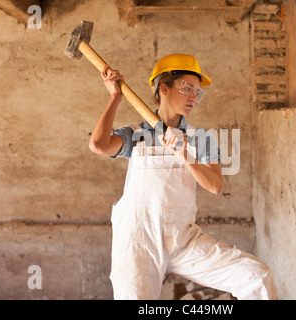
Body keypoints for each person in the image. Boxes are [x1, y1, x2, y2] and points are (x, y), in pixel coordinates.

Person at [89, 54, 278, 300]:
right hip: (138, 240)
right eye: (187, 88)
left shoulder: (201, 138)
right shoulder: (135, 134)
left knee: (257, 277)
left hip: (182, 238)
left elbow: (215, 185)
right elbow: (99, 145)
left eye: (197, 92)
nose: (193, 98)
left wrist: (184, 152)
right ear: (163, 88)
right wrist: (115, 97)